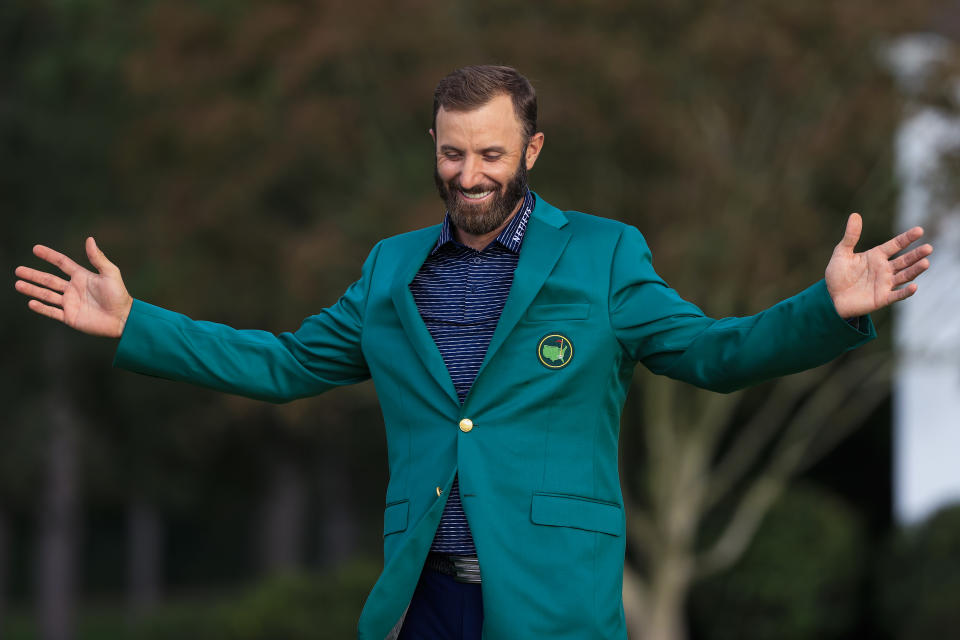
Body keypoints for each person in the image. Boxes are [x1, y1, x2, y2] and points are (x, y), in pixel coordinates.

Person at [14, 65, 932, 639]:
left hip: (549, 601)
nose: (469, 175)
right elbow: (286, 364)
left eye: (490, 153)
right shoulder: (388, 270)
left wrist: (824, 309)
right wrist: (138, 323)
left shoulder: (604, 253)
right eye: (452, 154)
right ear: (435, 147)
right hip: (424, 598)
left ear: (531, 147)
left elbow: (714, 353)